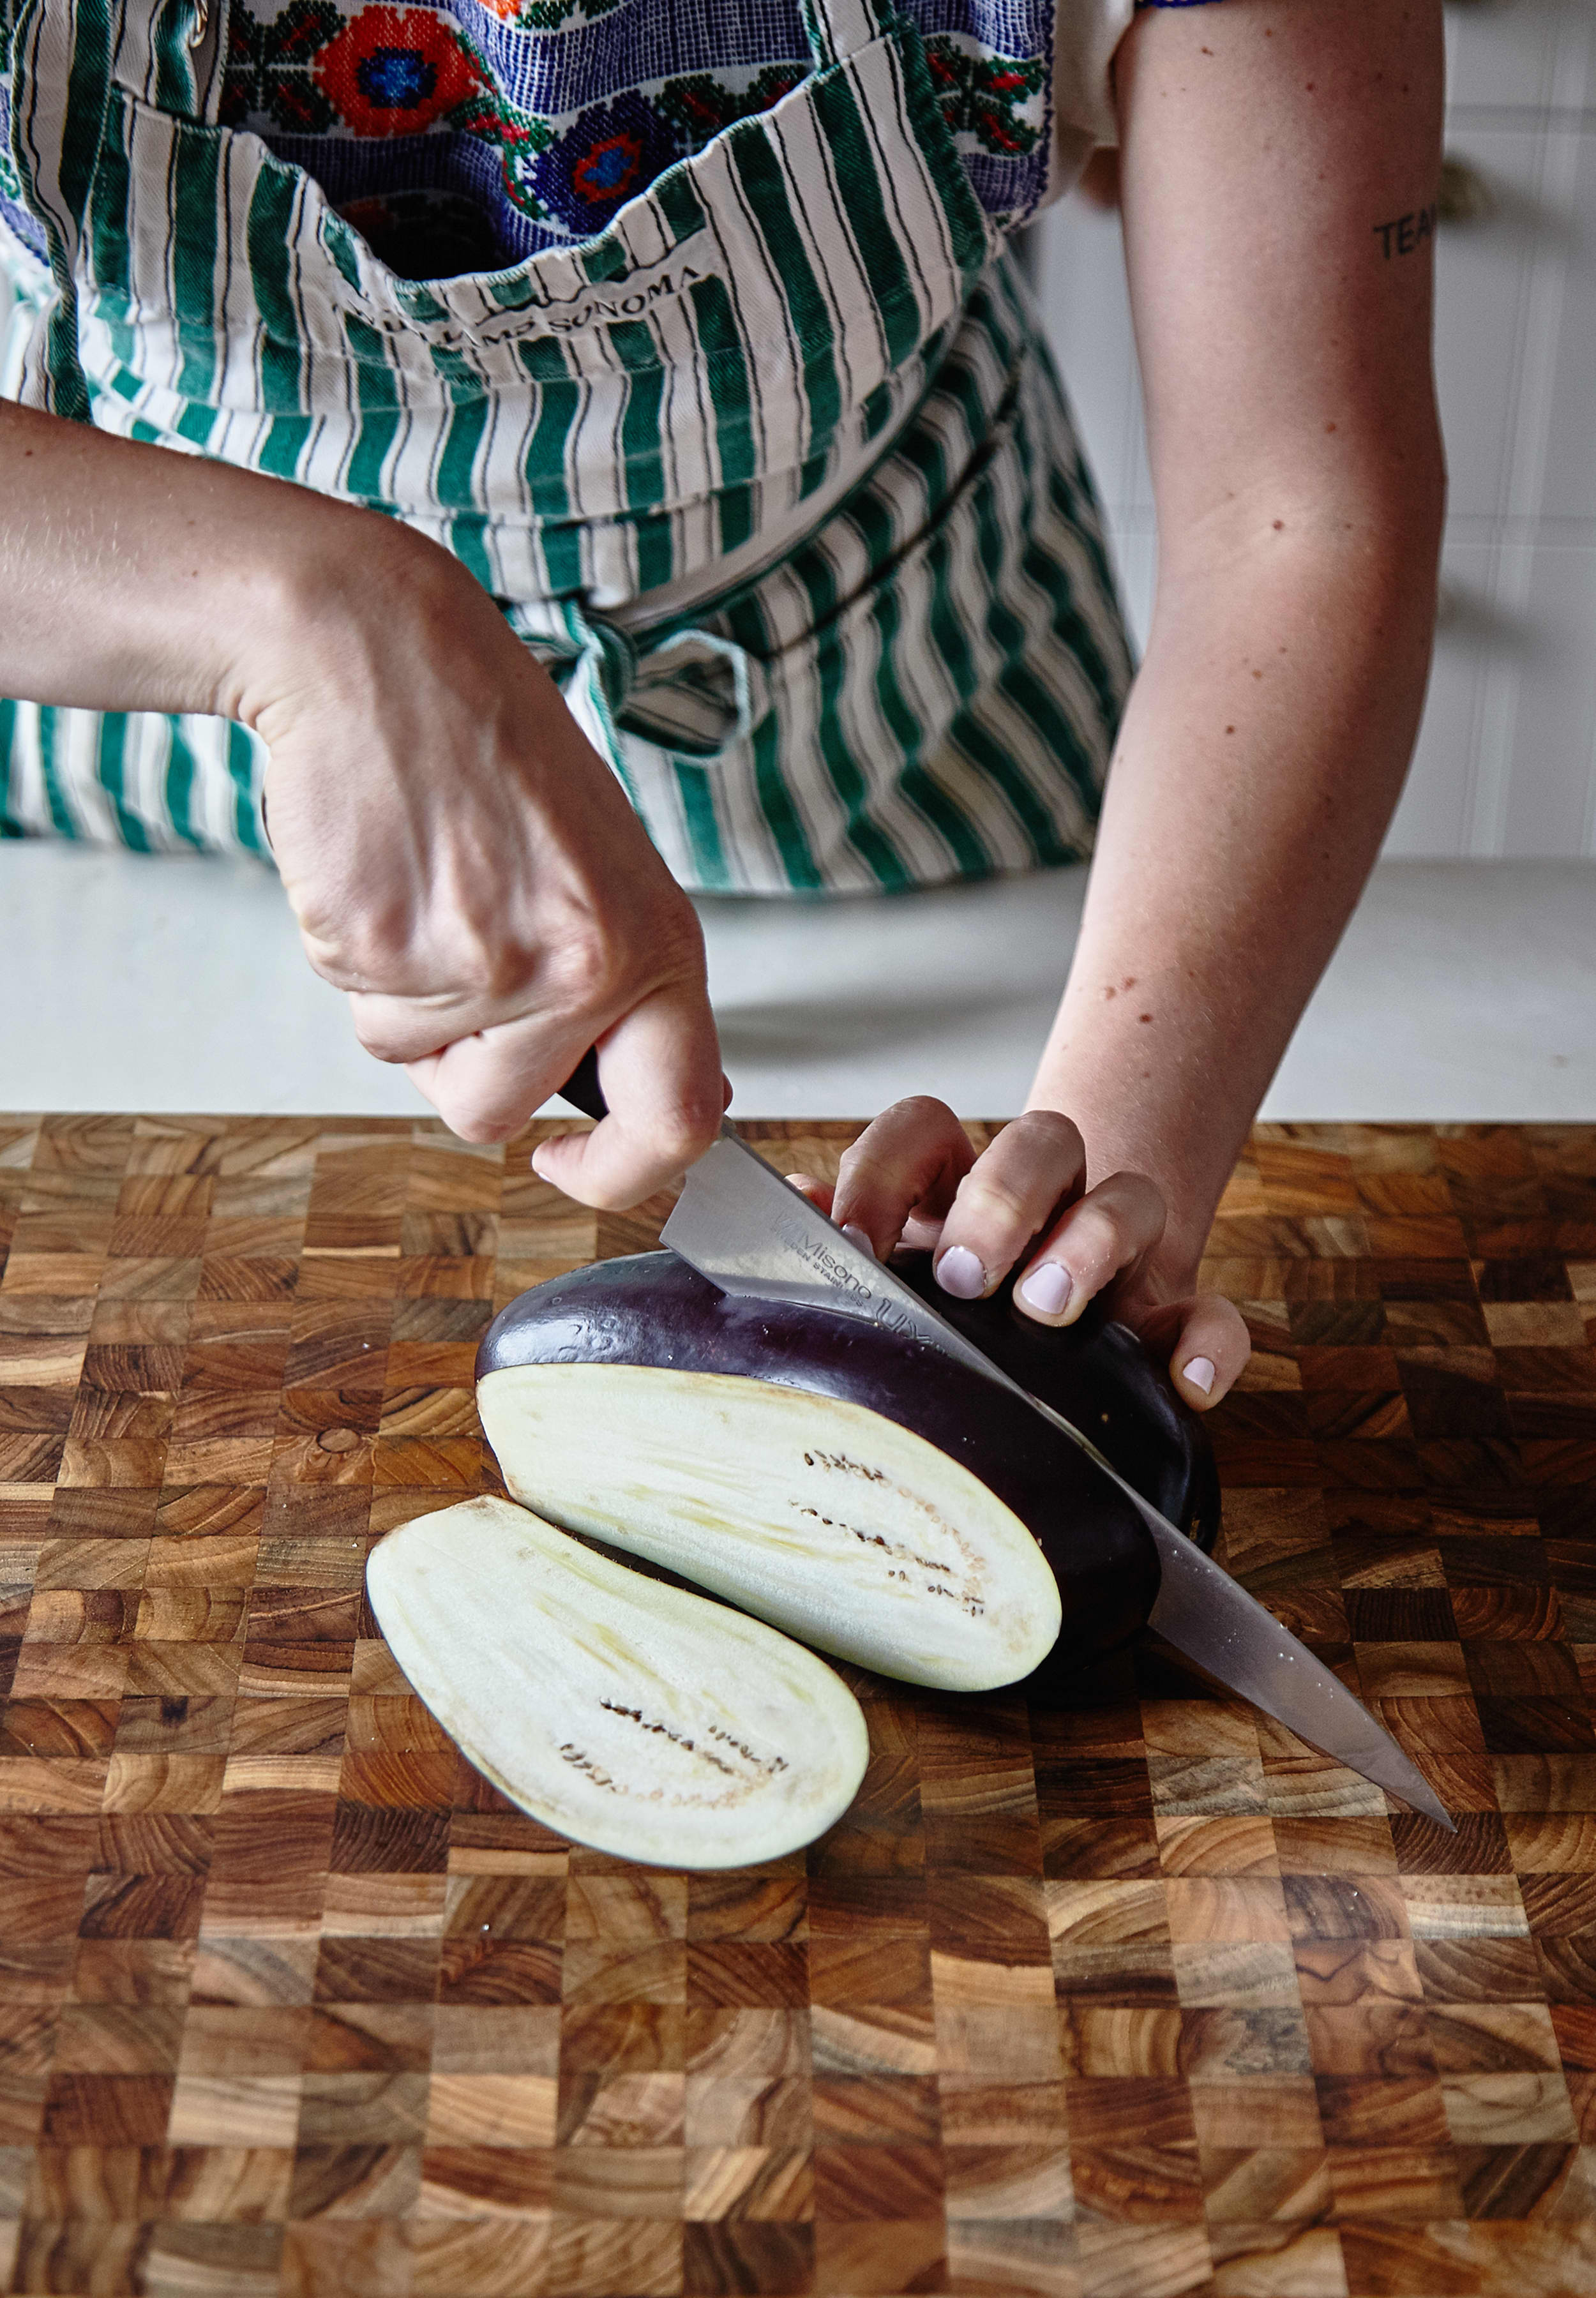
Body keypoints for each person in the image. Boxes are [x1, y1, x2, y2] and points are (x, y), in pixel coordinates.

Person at [0, 0, 1444, 1413]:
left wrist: (1085, 1193)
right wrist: (308, 615)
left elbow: (1296, 515)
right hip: (132, 748)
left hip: (917, 727)